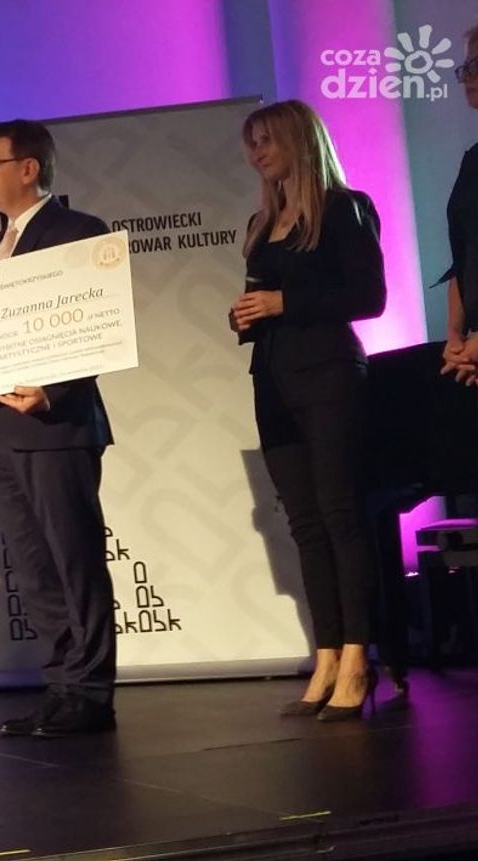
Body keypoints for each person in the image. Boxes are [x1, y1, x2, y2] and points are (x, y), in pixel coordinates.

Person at [229, 100, 387, 720]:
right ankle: (326, 656)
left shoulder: (345, 207)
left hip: (328, 373)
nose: (257, 154)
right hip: (272, 380)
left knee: (340, 514)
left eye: (266, 141)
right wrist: (247, 315)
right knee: (305, 524)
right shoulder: (262, 222)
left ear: (299, 140)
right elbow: (263, 301)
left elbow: (369, 296)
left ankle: (358, 658)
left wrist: (284, 303)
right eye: (252, 144)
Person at [0, 120, 118, 739]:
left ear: (28, 169)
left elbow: (102, 325)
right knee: (35, 570)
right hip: (0, 432)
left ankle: (91, 692)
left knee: (74, 560)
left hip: (56, 426)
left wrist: (53, 392)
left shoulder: (79, 233)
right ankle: (60, 689)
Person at [440, 21, 478, 385]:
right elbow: (464, 257)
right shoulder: (472, 161)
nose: (467, 76)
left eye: (476, 65)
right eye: (465, 67)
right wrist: (455, 335)